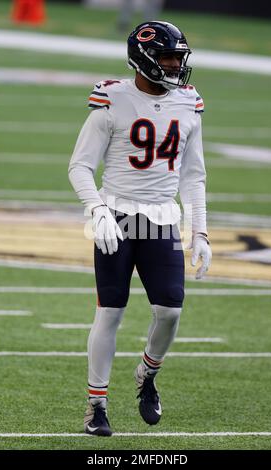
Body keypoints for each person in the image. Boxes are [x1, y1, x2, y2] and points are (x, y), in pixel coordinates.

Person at [68, 20, 212, 437]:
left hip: (162, 216)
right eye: (167, 57)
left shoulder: (189, 102)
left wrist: (199, 231)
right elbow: (80, 165)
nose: (174, 65)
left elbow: (193, 175)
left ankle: (147, 374)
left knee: (169, 311)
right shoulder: (113, 98)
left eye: (178, 58)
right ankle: (96, 405)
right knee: (110, 311)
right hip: (117, 213)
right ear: (144, 58)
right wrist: (95, 209)